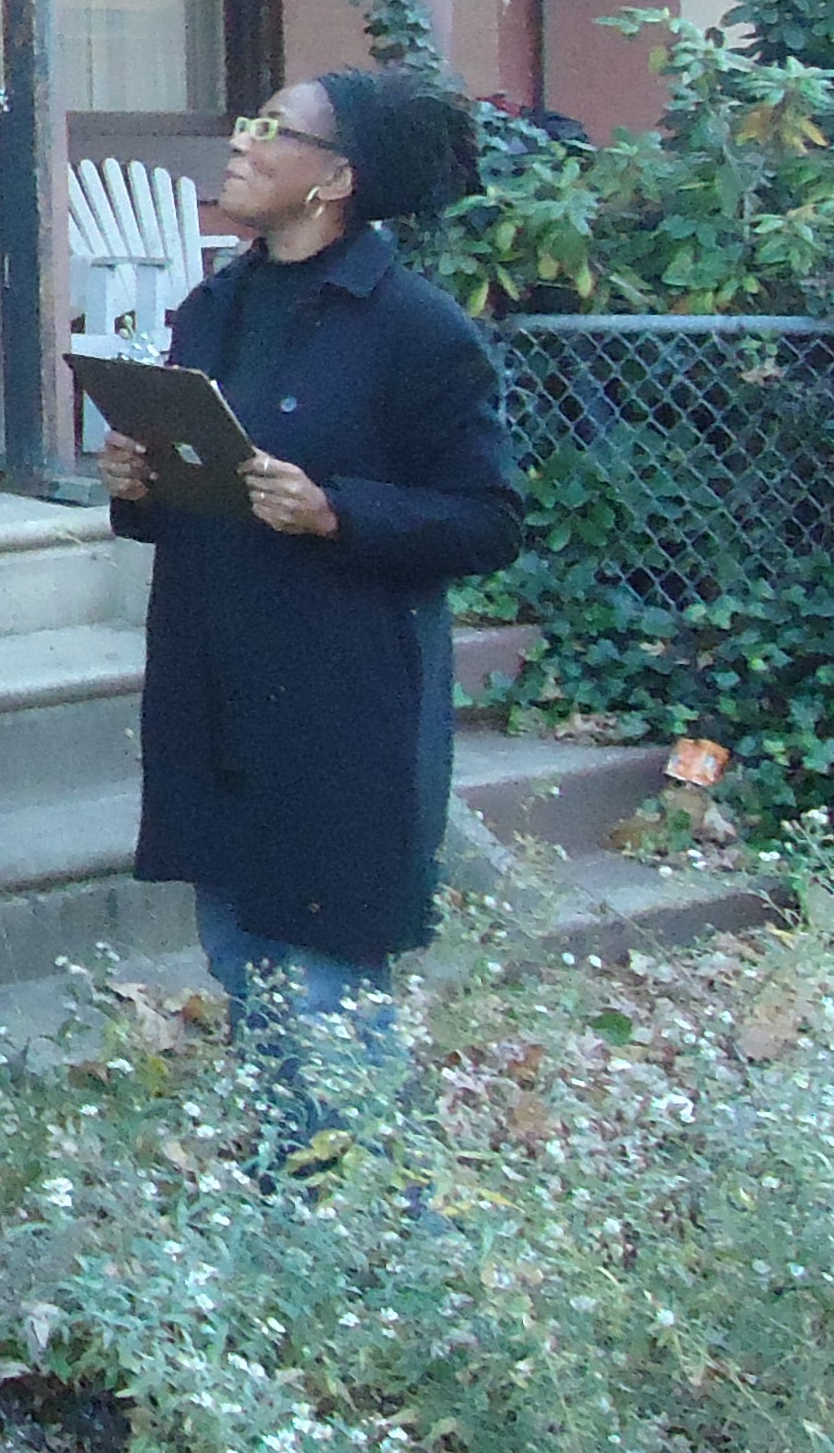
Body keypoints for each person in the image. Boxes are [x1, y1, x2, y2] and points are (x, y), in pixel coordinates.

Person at [102, 69, 520, 1149]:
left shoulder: (418, 332)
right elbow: (198, 486)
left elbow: (486, 518)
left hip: (342, 707)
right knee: (244, 968)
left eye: (270, 131)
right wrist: (142, 486)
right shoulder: (216, 305)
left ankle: (378, 1246)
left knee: (333, 997)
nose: (240, 145)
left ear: (335, 179)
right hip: (216, 689)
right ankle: (290, 1232)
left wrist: (339, 510)